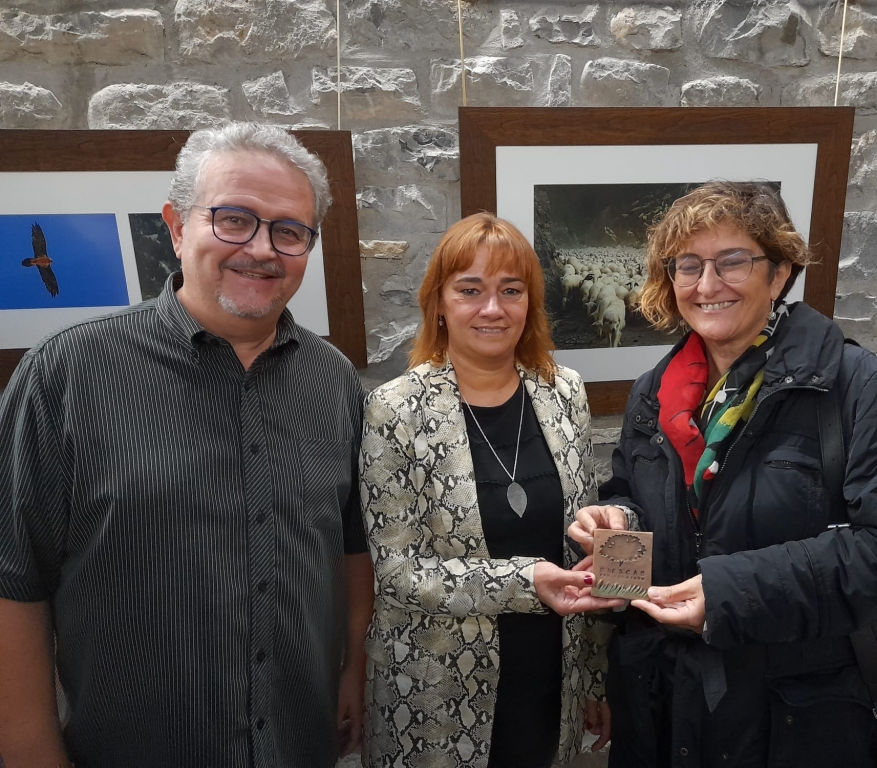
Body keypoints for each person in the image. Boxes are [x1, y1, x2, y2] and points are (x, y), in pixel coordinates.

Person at [0, 123, 374, 768]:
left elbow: (348, 548)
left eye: (289, 231)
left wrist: (352, 669)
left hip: (297, 743)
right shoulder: (66, 374)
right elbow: (14, 582)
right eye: (234, 219)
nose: (262, 249)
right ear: (175, 226)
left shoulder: (333, 380)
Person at [568, 181, 877, 768]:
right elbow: (644, 502)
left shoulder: (857, 388)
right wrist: (618, 529)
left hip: (793, 721)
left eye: (732, 262)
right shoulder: (656, 392)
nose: (706, 285)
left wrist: (730, 594)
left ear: (779, 273)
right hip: (662, 706)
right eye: (688, 266)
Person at [359, 212, 622, 768]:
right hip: (440, 693)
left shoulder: (563, 391)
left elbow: (586, 543)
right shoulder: (396, 409)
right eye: (470, 290)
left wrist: (597, 677)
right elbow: (399, 574)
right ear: (438, 303)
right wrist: (526, 581)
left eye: (511, 290)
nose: (493, 308)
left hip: (554, 675)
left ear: (530, 302)